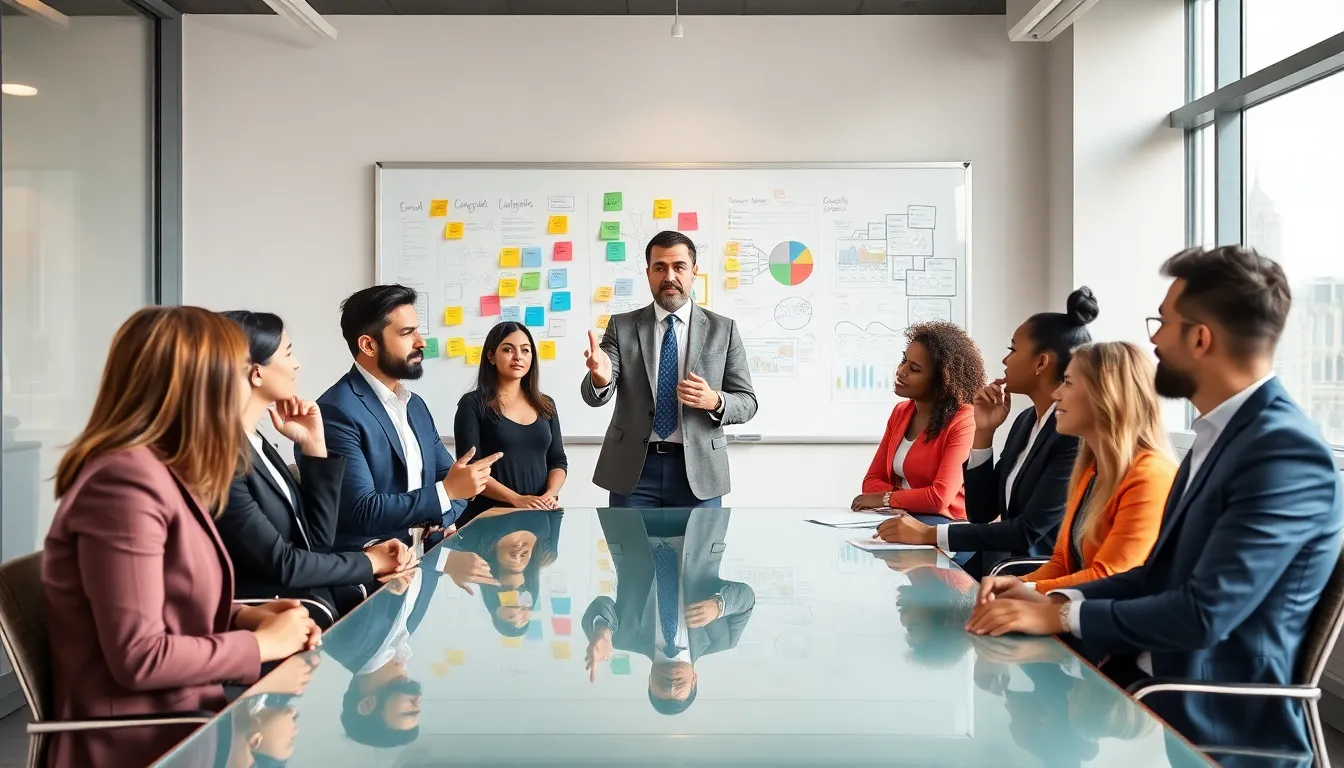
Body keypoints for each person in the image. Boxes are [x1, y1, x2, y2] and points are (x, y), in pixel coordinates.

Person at [966, 246, 1344, 764]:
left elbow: (1203, 615)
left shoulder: (1281, 452)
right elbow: (1155, 576)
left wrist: (1062, 618)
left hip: (1207, 720)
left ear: (1200, 338)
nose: (1154, 339)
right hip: (1140, 682)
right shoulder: (1222, 436)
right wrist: (1053, 602)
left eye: (1162, 322)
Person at [42, 307, 320, 768]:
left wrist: (245, 617)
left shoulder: (163, 473)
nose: (249, 385)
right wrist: (263, 646)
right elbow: (139, 656)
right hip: (147, 744)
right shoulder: (123, 485)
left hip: (190, 725)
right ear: (197, 385)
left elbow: (159, 604)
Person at [874, 291, 1093, 578]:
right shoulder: (1027, 421)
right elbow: (982, 512)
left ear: (1041, 363)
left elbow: (1027, 533)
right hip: (994, 567)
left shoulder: (1071, 437)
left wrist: (930, 534)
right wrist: (984, 434)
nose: (1004, 359)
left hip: (1028, 576)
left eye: (1013, 350)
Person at [217, 310, 413, 621]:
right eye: (288, 353)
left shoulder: (255, 442)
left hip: (304, 600)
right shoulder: (222, 459)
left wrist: (313, 445)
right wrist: (370, 563)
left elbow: (316, 542)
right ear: (257, 373)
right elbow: (285, 564)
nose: (296, 364)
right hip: (273, 612)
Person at [976, 342, 1176, 596]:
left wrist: (1029, 592)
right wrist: (1019, 586)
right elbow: (1061, 561)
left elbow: (1110, 577)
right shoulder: (1091, 469)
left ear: (1106, 394)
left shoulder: (1150, 475)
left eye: (1068, 383)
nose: (1056, 394)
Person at [314, 285, 500, 552]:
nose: (420, 342)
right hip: (371, 574)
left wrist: (441, 511)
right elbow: (362, 511)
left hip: (423, 561)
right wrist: (446, 493)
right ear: (368, 345)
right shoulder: (336, 411)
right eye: (406, 333)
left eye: (417, 330)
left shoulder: (415, 406)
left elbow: (452, 480)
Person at [580, 230, 758, 508]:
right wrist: (601, 378)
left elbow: (747, 402)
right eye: (659, 267)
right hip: (633, 472)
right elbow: (595, 394)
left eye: (679, 267)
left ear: (693, 271)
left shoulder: (723, 329)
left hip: (699, 471)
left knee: (699, 553)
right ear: (648, 272)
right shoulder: (622, 326)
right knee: (630, 553)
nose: (669, 277)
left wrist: (714, 400)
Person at [582, 509, 755, 715]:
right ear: (694, 680)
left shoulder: (622, 639)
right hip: (698, 524)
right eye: (679, 688)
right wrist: (718, 606)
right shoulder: (724, 640)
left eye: (664, 688)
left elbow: (601, 605)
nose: (672, 685)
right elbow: (746, 598)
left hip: (634, 524)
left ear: (649, 681)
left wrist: (602, 632)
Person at [856, 321, 985, 528]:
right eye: (904, 360)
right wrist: (909, 500)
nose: (901, 371)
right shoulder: (901, 412)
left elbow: (938, 498)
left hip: (950, 526)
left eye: (914, 369)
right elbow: (871, 481)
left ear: (942, 380)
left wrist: (886, 499)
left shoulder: (964, 420)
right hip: (906, 517)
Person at [453, 322, 567, 526]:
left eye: (525, 350)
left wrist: (551, 494)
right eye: (508, 349)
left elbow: (557, 460)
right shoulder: (472, 404)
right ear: (491, 356)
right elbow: (471, 469)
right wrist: (516, 499)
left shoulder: (546, 405)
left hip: (539, 515)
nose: (518, 357)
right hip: (489, 518)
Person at [325, 567, 438, 749]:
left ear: (368, 705)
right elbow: (431, 566)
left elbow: (342, 565)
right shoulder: (407, 632)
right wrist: (447, 560)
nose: (418, 703)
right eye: (418, 711)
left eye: (408, 712)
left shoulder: (344, 643)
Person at [442, 509, 563, 635]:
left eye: (511, 604)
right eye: (525, 607)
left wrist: (520, 502)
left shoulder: (474, 554)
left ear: (495, 602)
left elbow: (467, 511)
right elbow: (555, 512)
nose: (518, 601)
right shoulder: (547, 554)